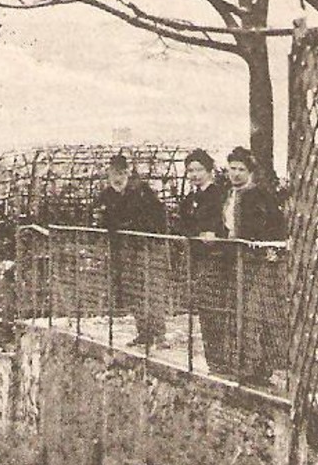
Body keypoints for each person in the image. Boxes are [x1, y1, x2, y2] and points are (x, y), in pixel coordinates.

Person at [221, 147, 285, 387]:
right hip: (235, 260)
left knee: (254, 313)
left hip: (256, 261)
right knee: (237, 310)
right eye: (232, 169)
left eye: (241, 170)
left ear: (250, 172)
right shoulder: (231, 194)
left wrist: (270, 249)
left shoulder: (258, 195)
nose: (235, 174)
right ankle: (240, 364)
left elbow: (275, 225)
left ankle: (257, 368)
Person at [92, 153, 168, 347]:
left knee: (151, 289)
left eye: (120, 172)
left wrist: (149, 234)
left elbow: (158, 215)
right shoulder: (106, 195)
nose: (116, 177)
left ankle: (158, 334)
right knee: (133, 290)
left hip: (145, 247)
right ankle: (143, 332)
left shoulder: (141, 191)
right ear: (108, 173)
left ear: (127, 172)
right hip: (122, 249)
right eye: (112, 173)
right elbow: (98, 220)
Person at [174, 150, 231, 376]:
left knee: (216, 308)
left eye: (199, 170)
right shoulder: (190, 199)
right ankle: (214, 361)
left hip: (217, 258)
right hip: (199, 257)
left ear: (209, 171)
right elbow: (183, 226)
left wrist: (210, 234)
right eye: (190, 170)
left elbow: (221, 225)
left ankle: (223, 361)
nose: (194, 175)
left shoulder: (219, 195)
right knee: (206, 310)